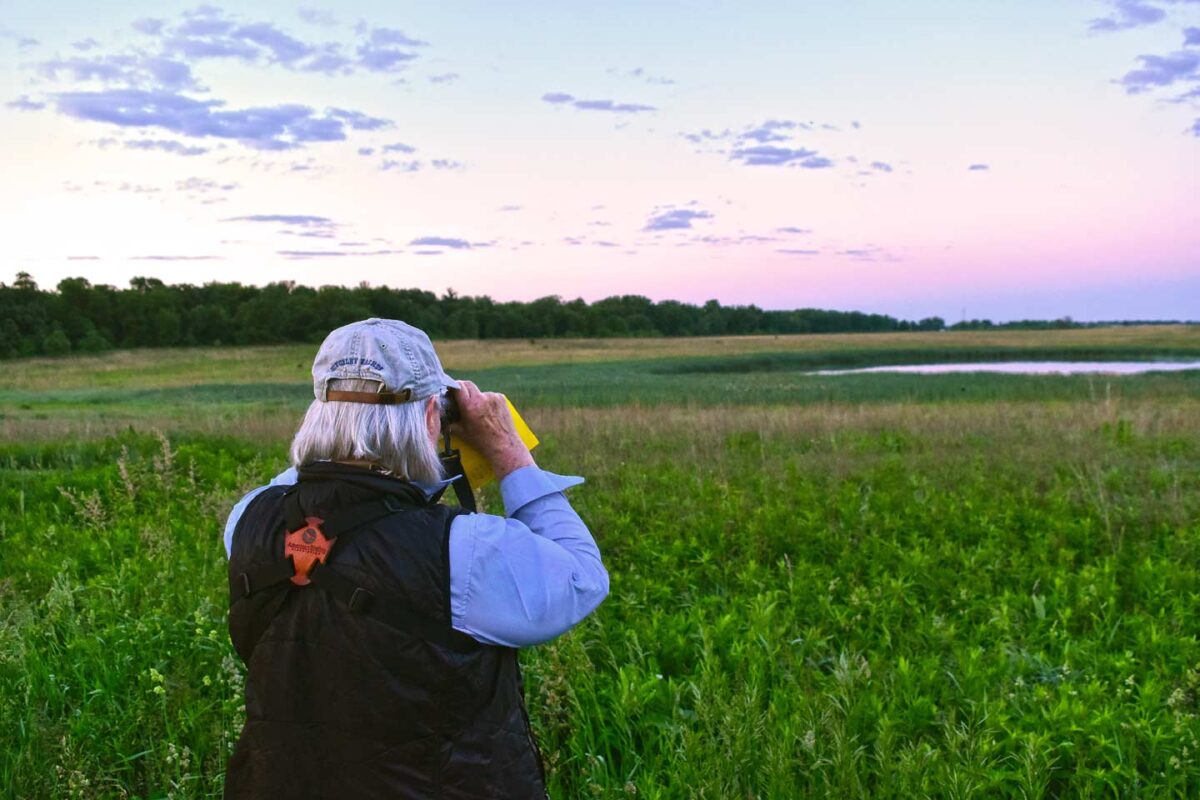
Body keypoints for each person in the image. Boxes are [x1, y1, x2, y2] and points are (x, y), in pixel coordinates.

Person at [221, 318, 608, 799]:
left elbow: (320, 487)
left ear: (318, 412)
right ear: (432, 417)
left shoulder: (248, 521)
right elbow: (582, 577)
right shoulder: (460, 551)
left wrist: (347, 419)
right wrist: (503, 446)